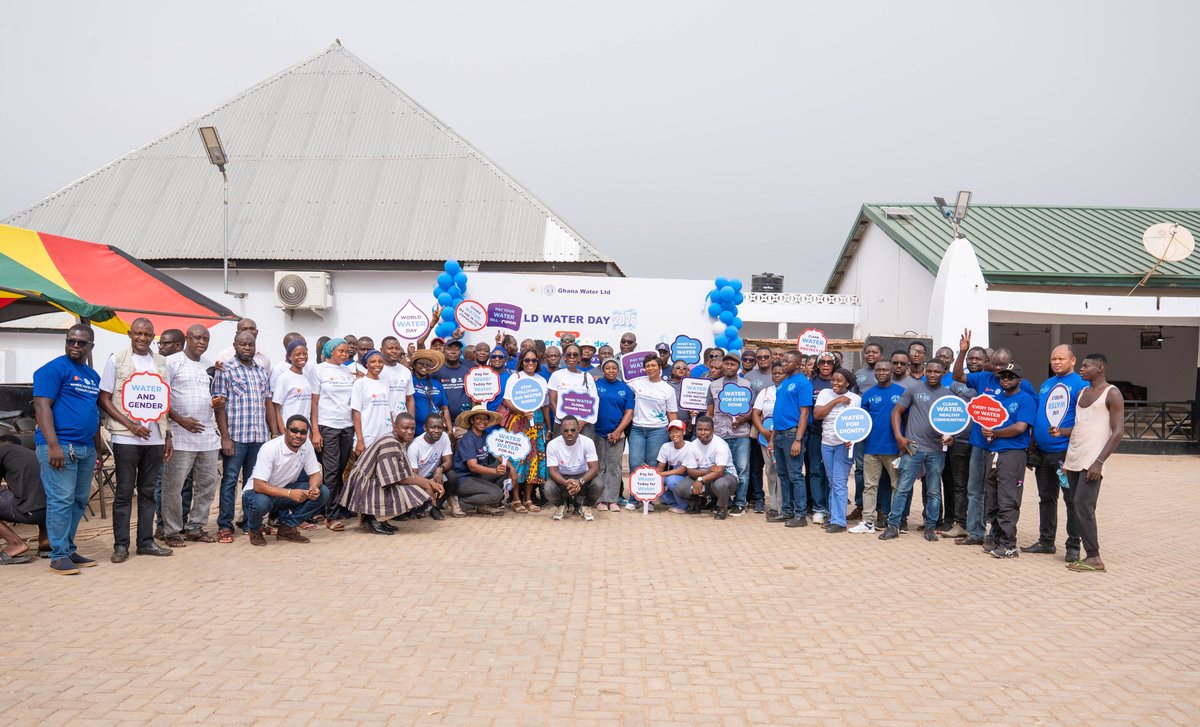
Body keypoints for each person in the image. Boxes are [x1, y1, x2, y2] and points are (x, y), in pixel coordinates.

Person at [98, 317, 174, 563]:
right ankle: (121, 545)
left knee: (148, 492)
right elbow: (104, 398)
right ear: (130, 334)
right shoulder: (117, 359)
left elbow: (165, 402)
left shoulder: (162, 362)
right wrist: (130, 424)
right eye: (138, 333)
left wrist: (168, 434)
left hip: (154, 438)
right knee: (123, 493)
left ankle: (146, 542)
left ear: (154, 337)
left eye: (147, 334)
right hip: (125, 437)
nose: (142, 338)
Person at [951, 330, 1037, 547]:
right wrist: (962, 352)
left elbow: (1030, 416)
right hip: (980, 444)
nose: (1000, 370)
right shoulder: (982, 378)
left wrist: (1032, 447)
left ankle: (995, 535)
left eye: (1004, 365)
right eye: (996, 365)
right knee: (975, 490)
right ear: (989, 363)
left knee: (999, 493)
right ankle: (975, 532)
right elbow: (957, 376)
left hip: (1007, 448)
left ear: (1012, 364)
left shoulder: (1021, 385)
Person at [34, 324, 102, 575]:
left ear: (90, 346)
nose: (75, 345)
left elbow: (93, 412)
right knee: (61, 500)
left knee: (77, 500)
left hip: (85, 450)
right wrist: (53, 445)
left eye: (81, 343)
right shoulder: (53, 369)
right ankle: (58, 555)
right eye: (71, 341)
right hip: (59, 446)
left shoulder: (91, 376)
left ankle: (68, 548)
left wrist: (97, 451)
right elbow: (42, 407)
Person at [1059, 353, 1123, 572]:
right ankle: (1089, 555)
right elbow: (1081, 426)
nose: (1082, 369)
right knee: (1076, 505)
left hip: (1092, 459)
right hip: (1075, 456)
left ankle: (1094, 557)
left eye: (1086, 366)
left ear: (1100, 368)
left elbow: (1117, 433)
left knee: (1084, 505)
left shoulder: (1111, 393)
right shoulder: (1082, 392)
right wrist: (1061, 432)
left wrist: (1099, 462)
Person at [879, 360, 954, 542]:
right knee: (902, 488)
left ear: (943, 373)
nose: (933, 374)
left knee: (934, 491)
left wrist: (950, 436)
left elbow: (953, 421)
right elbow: (895, 412)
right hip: (913, 447)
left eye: (937, 371)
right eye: (930, 371)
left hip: (936, 450)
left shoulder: (948, 395)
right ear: (924, 371)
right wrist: (899, 437)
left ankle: (930, 527)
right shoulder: (914, 388)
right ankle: (893, 526)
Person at [1023, 344, 1087, 557]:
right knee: (1046, 498)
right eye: (1053, 359)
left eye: (1061, 358)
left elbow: (1086, 421)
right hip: (1042, 453)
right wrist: (1033, 440)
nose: (1057, 362)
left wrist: (1065, 433)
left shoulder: (1081, 385)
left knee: (1071, 500)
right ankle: (1046, 541)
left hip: (1065, 456)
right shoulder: (1047, 384)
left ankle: (1073, 546)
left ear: (1073, 361)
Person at [162, 324, 221, 546]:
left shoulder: (209, 366)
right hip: (180, 434)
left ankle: (196, 526)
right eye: (197, 338)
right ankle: (172, 531)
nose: (202, 342)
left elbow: (211, 395)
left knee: (207, 483)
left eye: (206, 338)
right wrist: (179, 419)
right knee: (174, 486)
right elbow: (162, 396)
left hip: (206, 435)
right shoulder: (172, 362)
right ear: (187, 338)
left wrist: (217, 402)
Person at [213, 330, 273, 543]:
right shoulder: (225, 370)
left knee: (253, 482)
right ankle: (224, 525)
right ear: (235, 345)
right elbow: (219, 407)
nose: (247, 348)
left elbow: (268, 404)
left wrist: (272, 434)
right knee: (229, 480)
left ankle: (250, 523)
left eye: (251, 344)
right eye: (243, 344)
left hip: (259, 436)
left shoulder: (261, 371)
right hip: (236, 436)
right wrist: (225, 437)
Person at [340, 413, 439, 534]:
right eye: (405, 428)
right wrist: (426, 485)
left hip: (372, 482)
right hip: (366, 485)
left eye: (412, 428)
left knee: (418, 487)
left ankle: (378, 519)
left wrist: (430, 483)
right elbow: (395, 478)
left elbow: (407, 473)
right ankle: (374, 518)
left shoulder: (398, 441)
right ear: (395, 428)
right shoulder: (390, 443)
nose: (409, 432)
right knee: (415, 491)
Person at [241, 415, 328, 546]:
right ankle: (254, 530)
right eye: (294, 430)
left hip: (283, 492)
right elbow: (258, 485)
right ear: (285, 430)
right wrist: (289, 493)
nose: (298, 435)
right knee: (260, 503)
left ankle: (287, 528)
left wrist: (313, 487)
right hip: (257, 494)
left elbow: (315, 473)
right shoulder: (270, 448)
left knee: (323, 492)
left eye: (303, 432)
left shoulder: (306, 445)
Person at [980, 362, 1037, 559]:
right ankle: (996, 539)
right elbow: (986, 423)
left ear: (1019, 380)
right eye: (1002, 376)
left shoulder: (1025, 399)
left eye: (1010, 377)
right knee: (993, 499)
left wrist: (994, 432)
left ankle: (1009, 545)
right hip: (994, 454)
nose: (1005, 379)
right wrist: (986, 430)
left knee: (1008, 500)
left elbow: (1020, 428)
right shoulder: (995, 400)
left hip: (1013, 455)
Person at [309, 337, 356, 532]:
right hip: (327, 425)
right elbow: (313, 403)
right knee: (330, 470)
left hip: (347, 425)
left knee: (340, 469)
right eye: (341, 351)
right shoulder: (318, 370)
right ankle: (331, 515)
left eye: (346, 352)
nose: (345, 355)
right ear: (330, 351)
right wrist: (316, 432)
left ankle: (334, 508)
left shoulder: (349, 371)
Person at [854, 360, 903, 534]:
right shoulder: (867, 395)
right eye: (878, 370)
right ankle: (867, 521)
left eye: (885, 370)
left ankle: (895, 521)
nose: (881, 372)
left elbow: (907, 419)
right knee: (869, 485)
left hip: (894, 448)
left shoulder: (901, 392)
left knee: (897, 486)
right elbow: (862, 422)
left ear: (892, 372)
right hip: (871, 448)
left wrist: (903, 444)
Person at [625, 354, 678, 509]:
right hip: (637, 428)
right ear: (644, 368)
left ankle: (649, 499)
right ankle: (635, 499)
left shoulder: (667, 389)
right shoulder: (636, 383)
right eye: (648, 366)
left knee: (653, 464)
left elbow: (672, 414)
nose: (650, 368)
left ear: (660, 367)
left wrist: (674, 432)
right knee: (635, 463)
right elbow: (620, 386)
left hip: (658, 430)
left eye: (653, 365)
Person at [501, 349, 550, 513]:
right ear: (522, 361)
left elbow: (545, 406)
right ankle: (516, 499)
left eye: (534, 360)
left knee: (533, 461)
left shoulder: (541, 380)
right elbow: (506, 400)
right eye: (527, 360)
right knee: (517, 460)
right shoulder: (515, 378)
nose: (530, 363)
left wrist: (548, 427)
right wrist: (521, 411)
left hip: (536, 423)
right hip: (518, 421)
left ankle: (528, 499)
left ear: (538, 362)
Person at [767, 351, 812, 527]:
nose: (783, 363)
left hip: (792, 434)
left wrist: (798, 440)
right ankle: (786, 511)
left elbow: (805, 412)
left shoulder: (803, 383)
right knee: (783, 475)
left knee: (795, 475)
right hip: (779, 434)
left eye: (787, 361)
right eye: (783, 360)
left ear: (799, 363)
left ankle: (800, 515)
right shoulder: (785, 382)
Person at [813, 367, 860, 534]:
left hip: (844, 446)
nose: (835, 383)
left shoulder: (855, 399)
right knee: (832, 481)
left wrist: (853, 440)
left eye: (839, 381)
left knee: (839, 483)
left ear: (848, 383)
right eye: (833, 380)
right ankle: (834, 516)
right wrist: (836, 401)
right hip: (826, 443)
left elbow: (858, 423)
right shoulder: (825, 394)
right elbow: (817, 414)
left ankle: (839, 521)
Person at [706, 353, 751, 515]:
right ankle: (724, 501)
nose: (729, 367)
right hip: (719, 434)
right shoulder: (713, 385)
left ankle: (740, 503)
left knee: (742, 469)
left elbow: (752, 409)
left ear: (738, 367)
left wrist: (743, 418)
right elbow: (709, 411)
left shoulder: (747, 384)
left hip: (740, 434)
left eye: (733, 364)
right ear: (722, 366)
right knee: (719, 469)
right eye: (727, 364)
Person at [675, 416, 738, 520]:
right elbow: (690, 471)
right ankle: (698, 502)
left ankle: (722, 507)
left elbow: (720, 472)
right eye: (699, 429)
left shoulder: (720, 444)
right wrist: (708, 471)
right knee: (681, 487)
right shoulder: (693, 446)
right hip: (706, 477)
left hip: (726, 477)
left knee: (720, 484)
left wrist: (701, 479)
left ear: (713, 430)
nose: (702, 432)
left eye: (706, 429)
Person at [451, 405, 508, 516]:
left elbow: (497, 453)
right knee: (496, 494)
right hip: (464, 480)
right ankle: (460, 503)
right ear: (472, 420)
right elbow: (473, 466)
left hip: (477, 476)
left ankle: (483, 505)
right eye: (478, 418)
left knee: (507, 470)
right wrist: (495, 471)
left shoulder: (485, 436)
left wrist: (512, 469)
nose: (482, 421)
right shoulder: (468, 439)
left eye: (485, 418)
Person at [592, 358, 633, 511]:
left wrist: (618, 431)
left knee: (614, 467)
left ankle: (612, 499)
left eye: (613, 368)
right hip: (597, 432)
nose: (611, 370)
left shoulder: (625, 388)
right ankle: (600, 499)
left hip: (617, 433)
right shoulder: (596, 385)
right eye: (607, 368)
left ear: (618, 370)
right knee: (600, 466)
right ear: (603, 370)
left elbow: (629, 412)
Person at [849, 342, 883, 520]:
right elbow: (854, 399)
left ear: (881, 356)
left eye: (875, 352)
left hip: (882, 427)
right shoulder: (859, 374)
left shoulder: (887, 371)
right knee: (861, 469)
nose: (871, 354)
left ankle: (882, 509)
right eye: (868, 352)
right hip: (862, 428)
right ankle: (860, 506)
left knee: (882, 469)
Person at [0, 435, 47, 563]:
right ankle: (46, 542)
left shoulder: (2, 452)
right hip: (53, 514)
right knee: (35, 491)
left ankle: (15, 544)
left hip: (32, 513)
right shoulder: (31, 453)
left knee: (30, 494)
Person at [545, 415, 601, 521]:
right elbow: (552, 471)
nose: (569, 433)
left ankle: (585, 506)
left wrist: (579, 482)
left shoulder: (587, 442)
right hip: (563, 478)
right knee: (548, 488)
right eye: (566, 430)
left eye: (573, 430)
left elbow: (594, 469)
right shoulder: (553, 444)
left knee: (599, 484)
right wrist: (568, 484)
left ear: (578, 429)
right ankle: (561, 505)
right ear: (561, 430)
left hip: (582, 477)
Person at [408, 414, 462, 518]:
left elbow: (449, 462)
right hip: (419, 481)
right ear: (425, 427)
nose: (437, 431)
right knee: (416, 513)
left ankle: (435, 506)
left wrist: (440, 469)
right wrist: (429, 485)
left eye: (440, 428)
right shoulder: (414, 447)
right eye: (433, 427)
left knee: (452, 476)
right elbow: (413, 476)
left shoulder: (444, 436)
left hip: (434, 477)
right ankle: (422, 506)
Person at [804, 351, 836, 523]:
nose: (825, 365)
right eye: (822, 362)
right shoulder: (810, 383)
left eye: (829, 362)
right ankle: (819, 508)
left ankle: (833, 507)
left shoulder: (840, 382)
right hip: (815, 433)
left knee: (832, 473)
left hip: (836, 435)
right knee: (816, 471)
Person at [751, 363, 783, 516]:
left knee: (782, 471)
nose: (777, 375)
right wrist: (763, 431)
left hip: (783, 438)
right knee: (770, 470)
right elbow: (755, 413)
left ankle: (783, 506)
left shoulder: (789, 391)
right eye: (774, 373)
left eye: (780, 373)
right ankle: (774, 505)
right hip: (765, 438)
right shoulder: (765, 392)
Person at [548, 344, 598, 437]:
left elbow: (593, 402)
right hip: (561, 424)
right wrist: (564, 422)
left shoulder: (587, 377)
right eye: (568, 354)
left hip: (583, 425)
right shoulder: (557, 375)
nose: (572, 357)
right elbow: (552, 401)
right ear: (564, 357)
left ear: (580, 357)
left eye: (575, 355)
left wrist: (583, 421)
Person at [351, 350, 397, 454]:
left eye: (380, 361)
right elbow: (356, 413)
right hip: (368, 436)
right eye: (373, 362)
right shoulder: (360, 383)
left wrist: (394, 433)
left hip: (386, 435)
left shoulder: (385, 383)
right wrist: (360, 440)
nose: (377, 365)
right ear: (366, 364)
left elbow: (390, 411)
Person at [272, 339, 313, 435]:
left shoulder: (306, 378)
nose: (302, 357)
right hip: (290, 431)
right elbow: (277, 409)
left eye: (305, 353)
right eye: (298, 354)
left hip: (304, 431)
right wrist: (283, 433)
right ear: (290, 357)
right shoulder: (284, 378)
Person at [656, 420, 694, 513]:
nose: (674, 434)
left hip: (688, 477)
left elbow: (681, 470)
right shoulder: (666, 446)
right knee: (655, 481)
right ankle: (675, 503)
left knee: (671, 480)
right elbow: (660, 467)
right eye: (671, 432)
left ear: (684, 432)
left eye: (677, 431)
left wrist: (659, 474)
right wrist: (651, 474)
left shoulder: (690, 446)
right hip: (674, 475)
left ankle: (683, 506)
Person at [433, 339, 471, 424]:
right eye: (449, 349)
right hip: (442, 421)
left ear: (461, 353)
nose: (453, 352)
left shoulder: (467, 371)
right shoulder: (437, 371)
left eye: (456, 349)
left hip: (464, 421)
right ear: (444, 351)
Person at [378, 336, 416, 417]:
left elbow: (410, 399)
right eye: (390, 348)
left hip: (402, 422)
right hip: (381, 420)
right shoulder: (376, 370)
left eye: (397, 348)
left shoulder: (406, 371)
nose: (394, 351)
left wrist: (411, 419)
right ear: (381, 350)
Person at [484, 347, 513, 413]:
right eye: (494, 356)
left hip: (506, 419)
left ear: (505, 359)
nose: (497, 359)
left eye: (500, 356)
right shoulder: (483, 375)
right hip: (488, 417)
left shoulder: (511, 375)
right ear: (490, 359)